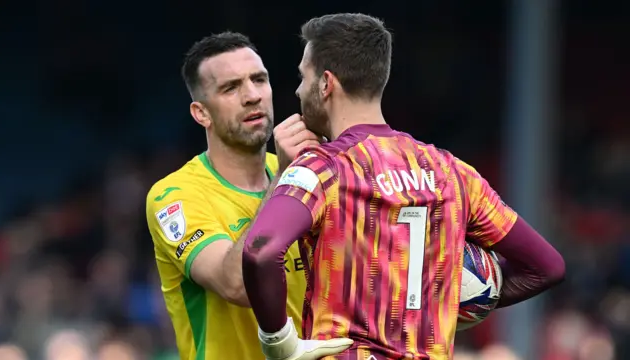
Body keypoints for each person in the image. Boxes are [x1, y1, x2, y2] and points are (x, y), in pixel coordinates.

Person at [241, 13, 566, 360]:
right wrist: (447, 299)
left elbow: (260, 250)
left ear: (325, 84)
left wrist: (279, 341)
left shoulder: (324, 167)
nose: (297, 90)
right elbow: (547, 266)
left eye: (302, 77)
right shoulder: (453, 172)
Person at [146, 32, 331, 360]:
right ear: (201, 113)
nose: (251, 96)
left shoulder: (311, 176)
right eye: (230, 88)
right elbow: (237, 285)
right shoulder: (175, 196)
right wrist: (285, 181)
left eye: (259, 80)